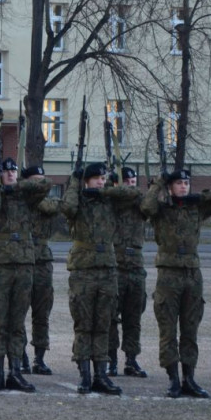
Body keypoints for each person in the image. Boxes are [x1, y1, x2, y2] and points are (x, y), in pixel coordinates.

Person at [141, 168, 211, 399]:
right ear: (171, 188)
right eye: (179, 183)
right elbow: (145, 208)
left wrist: (199, 196)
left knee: (190, 329)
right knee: (168, 330)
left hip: (192, 274)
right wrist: (159, 184)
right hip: (169, 274)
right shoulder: (162, 210)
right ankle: (173, 379)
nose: (183, 187)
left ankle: (189, 378)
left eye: (186, 183)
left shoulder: (195, 207)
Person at [60, 162, 139, 395]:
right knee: (84, 324)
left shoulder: (109, 199)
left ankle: (101, 374)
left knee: (104, 324)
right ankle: (85, 375)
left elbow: (132, 194)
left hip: (107, 269)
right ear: (87, 180)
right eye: (96, 179)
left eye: (103, 178)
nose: (100, 182)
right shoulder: (79, 200)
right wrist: (75, 182)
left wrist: (109, 187)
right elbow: (68, 208)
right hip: (83, 269)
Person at [0, 157, 49, 393]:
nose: (10, 174)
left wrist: (17, 185)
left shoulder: (25, 197)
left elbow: (44, 186)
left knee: (17, 322)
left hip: (23, 265)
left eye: (13, 171)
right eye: (5, 172)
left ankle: (16, 371)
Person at [109, 166, 148, 378]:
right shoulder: (112, 203)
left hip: (135, 267)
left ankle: (131, 360)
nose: (131, 187)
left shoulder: (140, 204)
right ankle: (111, 360)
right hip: (115, 267)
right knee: (110, 318)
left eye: (134, 183)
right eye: (127, 183)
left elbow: (151, 207)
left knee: (133, 319)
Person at [21, 165, 59, 376]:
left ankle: (39, 357)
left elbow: (52, 208)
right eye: (34, 179)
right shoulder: (19, 199)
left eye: (41, 179)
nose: (39, 183)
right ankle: (21, 356)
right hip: (21, 259)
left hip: (42, 260)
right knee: (18, 314)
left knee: (41, 313)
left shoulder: (44, 201)